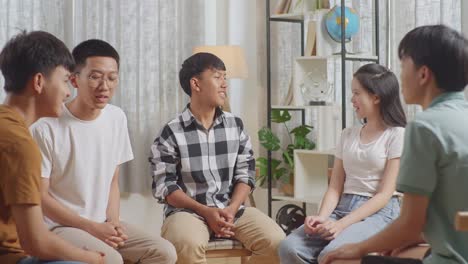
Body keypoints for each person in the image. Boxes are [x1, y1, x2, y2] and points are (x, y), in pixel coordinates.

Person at [321, 25, 468, 264]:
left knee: (340, 260)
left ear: (423, 74)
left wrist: (357, 249)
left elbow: (409, 223)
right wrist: (419, 236)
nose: (400, 77)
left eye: (403, 66)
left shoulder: (424, 128)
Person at [30, 39, 177, 264]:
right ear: (74, 79)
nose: (104, 86)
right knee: (111, 260)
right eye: (95, 76)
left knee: (164, 252)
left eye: (111, 77)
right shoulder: (45, 127)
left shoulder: (116, 117)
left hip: (102, 222)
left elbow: (112, 181)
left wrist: (114, 222)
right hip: (60, 227)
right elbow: (40, 197)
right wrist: (92, 227)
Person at [150, 52, 285, 264]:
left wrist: (231, 209)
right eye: (217, 77)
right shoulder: (171, 132)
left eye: (225, 77)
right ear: (196, 84)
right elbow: (165, 187)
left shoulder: (235, 125)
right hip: (188, 213)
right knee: (186, 243)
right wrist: (206, 211)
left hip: (233, 209)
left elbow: (245, 174)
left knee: (277, 243)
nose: (224, 84)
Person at [278, 63, 407, 264]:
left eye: (357, 93)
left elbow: (384, 195)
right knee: (289, 248)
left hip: (378, 213)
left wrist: (341, 225)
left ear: (376, 97)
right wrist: (321, 218)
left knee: (331, 254)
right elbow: (335, 187)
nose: (352, 99)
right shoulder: (348, 134)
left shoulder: (396, 134)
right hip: (342, 206)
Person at [0, 31, 104, 264]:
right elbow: (35, 241)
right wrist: (91, 258)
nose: (69, 92)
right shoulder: (20, 144)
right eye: (66, 80)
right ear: (38, 82)